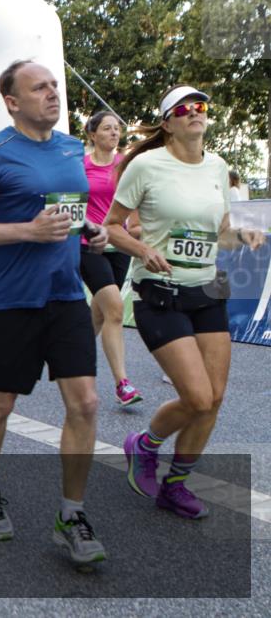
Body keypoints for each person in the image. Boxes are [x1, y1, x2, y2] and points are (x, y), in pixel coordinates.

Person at [0, 60, 109, 563]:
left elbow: (69, 213)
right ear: (13, 101)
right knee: (0, 407)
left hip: (64, 296)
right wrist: (25, 231)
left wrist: (91, 234)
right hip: (9, 300)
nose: (52, 93)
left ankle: (71, 514)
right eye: (39, 88)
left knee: (84, 403)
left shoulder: (70, 150)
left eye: (54, 85)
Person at [106, 85, 266, 519]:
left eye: (201, 106)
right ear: (168, 122)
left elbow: (223, 230)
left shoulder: (217, 166)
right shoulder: (146, 166)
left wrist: (244, 235)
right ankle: (144, 445)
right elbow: (113, 226)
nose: (195, 112)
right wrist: (143, 251)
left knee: (214, 399)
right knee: (196, 397)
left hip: (209, 289)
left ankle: (175, 486)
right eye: (184, 108)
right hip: (162, 292)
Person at [80, 111, 142, 407]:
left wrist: (139, 230)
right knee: (115, 307)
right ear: (93, 134)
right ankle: (122, 383)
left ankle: (75, 359)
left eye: (117, 128)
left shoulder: (127, 165)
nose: (114, 133)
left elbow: (136, 200)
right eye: (107, 128)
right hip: (88, 243)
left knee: (102, 310)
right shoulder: (81, 166)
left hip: (119, 244)